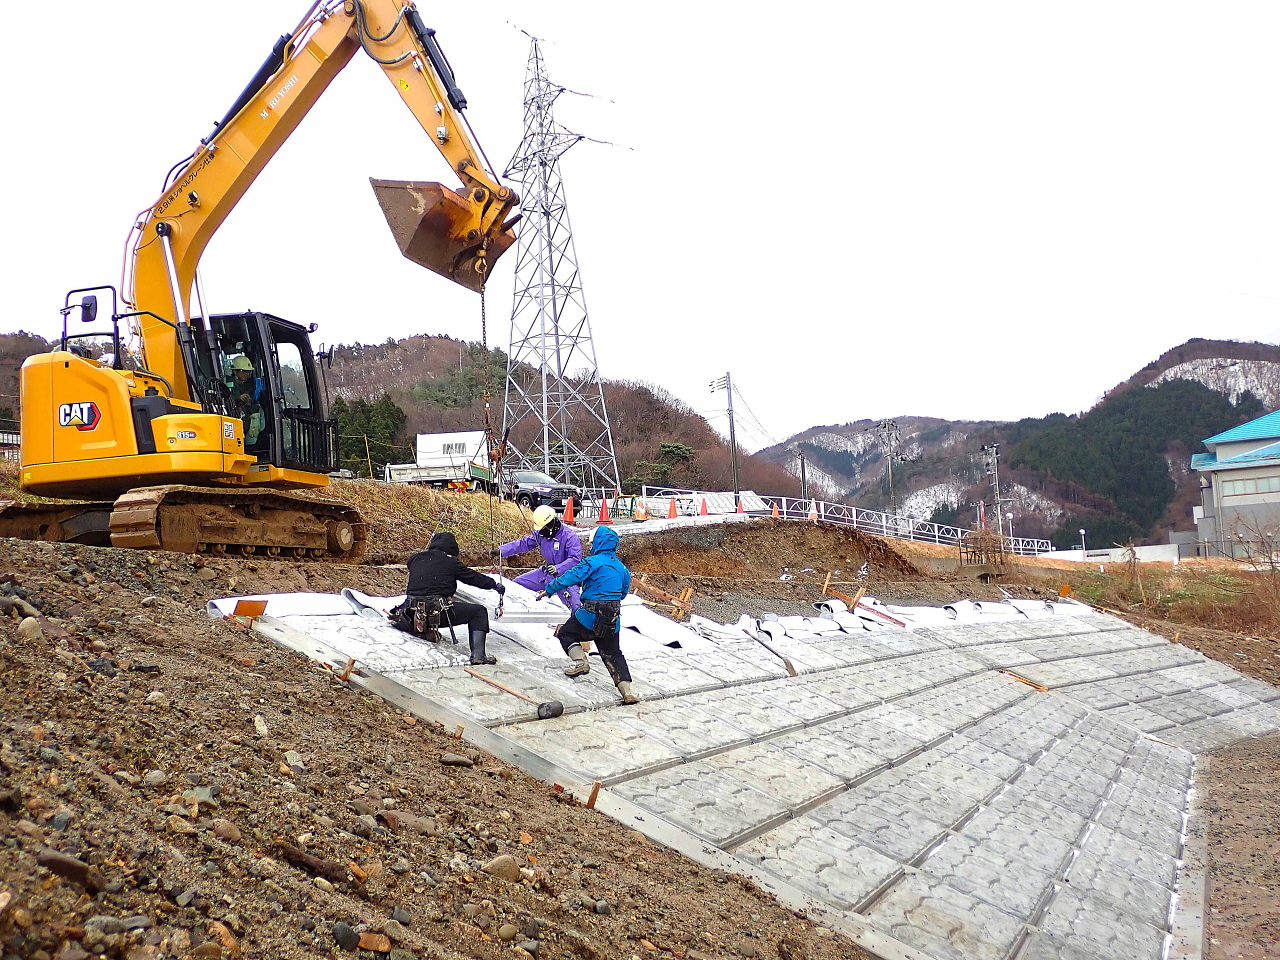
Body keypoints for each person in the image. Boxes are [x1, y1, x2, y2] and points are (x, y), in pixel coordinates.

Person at [538, 525, 638, 704]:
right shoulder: (623, 569)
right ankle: (627, 692)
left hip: (589, 614)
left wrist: (548, 590)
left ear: (598, 543)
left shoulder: (591, 562)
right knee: (613, 653)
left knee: (566, 633)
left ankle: (581, 662)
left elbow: (569, 577)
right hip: (612, 617)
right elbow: (623, 594)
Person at [392, 531, 506, 665]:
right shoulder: (451, 562)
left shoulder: (415, 559)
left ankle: (420, 627)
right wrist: (494, 585)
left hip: (410, 613)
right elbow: (473, 578)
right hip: (436, 614)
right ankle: (478, 655)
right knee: (478, 612)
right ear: (452, 547)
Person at [491, 505, 583, 611]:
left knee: (575, 608)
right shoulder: (541, 534)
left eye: (543, 527)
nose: (541, 529)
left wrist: (557, 568)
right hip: (547, 574)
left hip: (567, 578)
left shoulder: (569, 536)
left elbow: (575, 559)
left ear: (550, 523)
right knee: (517, 585)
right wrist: (501, 550)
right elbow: (522, 544)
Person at [228, 356, 265, 445]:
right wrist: (238, 397)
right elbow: (225, 399)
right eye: (244, 371)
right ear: (235, 371)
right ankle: (250, 446)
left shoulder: (244, 385)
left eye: (248, 372)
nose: (247, 374)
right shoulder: (228, 383)